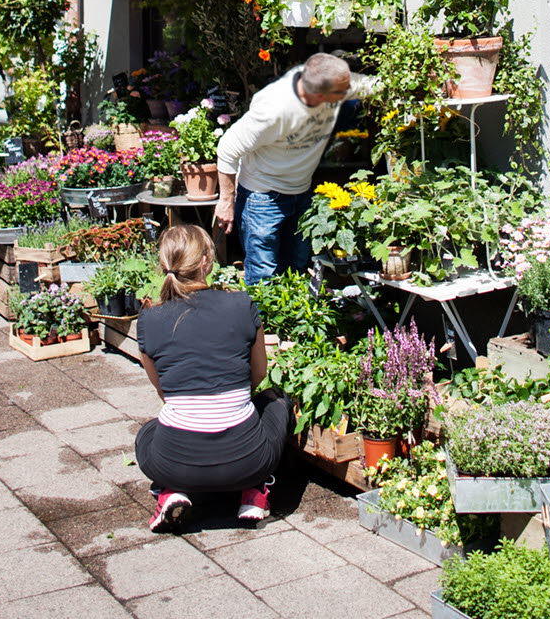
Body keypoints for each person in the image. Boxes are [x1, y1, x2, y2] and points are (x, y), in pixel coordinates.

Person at [134, 224, 291, 533]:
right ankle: (254, 493)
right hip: (248, 460)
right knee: (277, 402)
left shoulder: (149, 319)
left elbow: (163, 390)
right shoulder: (240, 304)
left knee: (147, 434)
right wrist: (231, 396)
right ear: (206, 262)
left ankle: (170, 491)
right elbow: (259, 374)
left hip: (173, 462)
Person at [213, 53, 373, 284]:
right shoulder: (274, 110)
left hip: (301, 191)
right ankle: (262, 320)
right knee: (263, 276)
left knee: (297, 268)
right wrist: (226, 202)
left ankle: (291, 320)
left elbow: (374, 86)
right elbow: (228, 148)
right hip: (263, 197)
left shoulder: (330, 83)